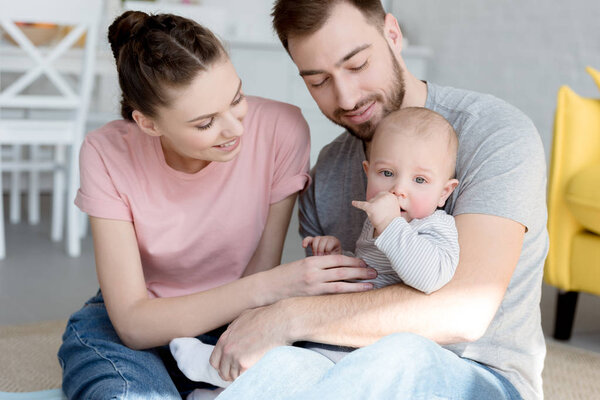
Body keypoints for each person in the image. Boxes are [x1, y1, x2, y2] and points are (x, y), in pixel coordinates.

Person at [209, 1, 548, 400]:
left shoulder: (494, 134)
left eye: (356, 65)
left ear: (392, 34)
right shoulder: (330, 168)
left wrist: (287, 317)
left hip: (476, 376)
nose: (347, 97)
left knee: (399, 355)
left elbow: (464, 311)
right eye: (318, 81)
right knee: (281, 368)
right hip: (342, 368)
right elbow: (326, 304)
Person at [57, 10, 377, 400]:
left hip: (239, 319)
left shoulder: (282, 129)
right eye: (205, 122)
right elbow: (132, 324)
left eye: (237, 98)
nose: (235, 128)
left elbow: (259, 273)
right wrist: (279, 285)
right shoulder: (106, 151)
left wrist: (267, 298)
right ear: (148, 124)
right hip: (136, 326)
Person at [169, 107, 460, 388]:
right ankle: (218, 376)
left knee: (293, 369)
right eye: (386, 173)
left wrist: (390, 225)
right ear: (367, 172)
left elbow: (430, 277)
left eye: (420, 180)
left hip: (377, 345)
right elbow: (370, 273)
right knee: (285, 355)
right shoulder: (376, 223)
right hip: (342, 330)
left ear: (443, 193)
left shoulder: (435, 226)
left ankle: (218, 376)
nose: (399, 189)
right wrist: (338, 258)